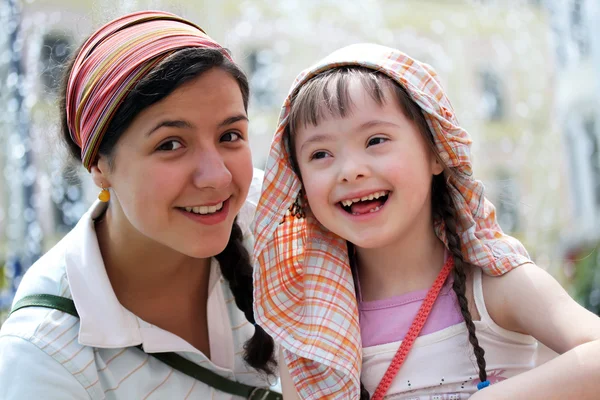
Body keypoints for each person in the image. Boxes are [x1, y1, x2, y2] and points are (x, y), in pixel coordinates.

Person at [251, 43, 600, 399]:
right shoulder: (311, 323)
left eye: (375, 140)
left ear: (437, 152)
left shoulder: (492, 283)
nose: (350, 170)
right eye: (320, 154)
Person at [0, 10, 280, 399]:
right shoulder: (44, 356)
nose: (216, 176)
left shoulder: (277, 219)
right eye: (170, 144)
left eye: (230, 135)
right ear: (99, 165)